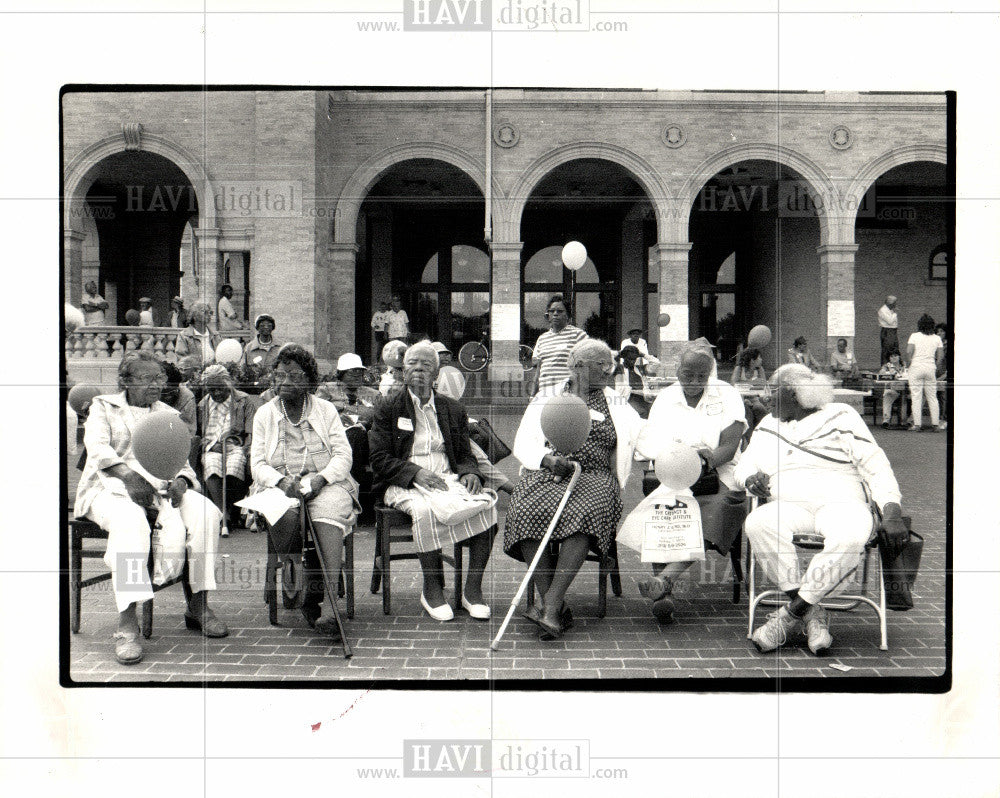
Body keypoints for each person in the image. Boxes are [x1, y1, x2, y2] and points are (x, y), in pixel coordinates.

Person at [735, 364, 908, 655]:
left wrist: (891, 510)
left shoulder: (842, 415)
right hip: (788, 505)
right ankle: (812, 613)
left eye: (773, 392)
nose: (766, 398)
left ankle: (790, 615)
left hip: (842, 503)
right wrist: (750, 479)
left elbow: (876, 466)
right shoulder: (767, 425)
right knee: (758, 523)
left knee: (851, 537)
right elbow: (745, 466)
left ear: (795, 395)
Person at [74, 352, 228, 665]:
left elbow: (181, 462)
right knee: (131, 524)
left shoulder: (168, 413)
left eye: (159, 378)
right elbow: (99, 451)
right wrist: (129, 477)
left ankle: (198, 605)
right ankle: (127, 623)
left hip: (159, 487)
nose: (155, 384)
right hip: (109, 488)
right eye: (146, 378)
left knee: (206, 512)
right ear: (125, 381)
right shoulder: (104, 407)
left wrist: (182, 482)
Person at [505, 339, 642, 639]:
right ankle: (553, 603)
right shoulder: (548, 396)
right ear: (579, 366)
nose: (610, 370)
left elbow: (642, 435)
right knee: (524, 508)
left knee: (583, 514)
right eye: (602, 366)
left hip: (596, 476)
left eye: (610, 365)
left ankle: (551, 605)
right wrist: (546, 459)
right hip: (550, 471)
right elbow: (524, 441)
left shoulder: (615, 400)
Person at [369, 341, 497, 621]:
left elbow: (464, 453)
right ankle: (432, 589)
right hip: (401, 482)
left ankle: (471, 591)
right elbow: (378, 458)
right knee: (425, 511)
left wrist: (470, 473)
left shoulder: (452, 409)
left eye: (426, 365)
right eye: (412, 363)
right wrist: (414, 473)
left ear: (436, 374)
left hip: (446, 479)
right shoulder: (389, 406)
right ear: (402, 371)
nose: (418, 369)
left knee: (487, 505)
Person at [629, 342, 748, 622]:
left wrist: (705, 461)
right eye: (687, 374)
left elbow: (729, 447)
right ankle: (664, 593)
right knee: (662, 507)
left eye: (701, 376)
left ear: (711, 373)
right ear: (677, 369)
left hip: (719, 472)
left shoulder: (727, 394)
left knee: (720, 506)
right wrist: (678, 459)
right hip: (677, 471)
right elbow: (653, 441)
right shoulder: (666, 398)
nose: (694, 382)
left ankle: (665, 580)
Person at [249, 345, 360, 635]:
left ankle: (330, 605)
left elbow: (343, 455)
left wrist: (321, 479)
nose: (286, 382)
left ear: (309, 380)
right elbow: (257, 464)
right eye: (281, 375)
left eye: (295, 376)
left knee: (329, 513)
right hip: (279, 483)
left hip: (325, 481)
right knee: (285, 516)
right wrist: (281, 482)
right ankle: (303, 583)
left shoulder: (325, 410)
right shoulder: (264, 414)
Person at [198, 364, 260, 535]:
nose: (216, 393)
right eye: (212, 390)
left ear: (229, 383)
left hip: (236, 444)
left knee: (235, 465)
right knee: (211, 465)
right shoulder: (203, 405)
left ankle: (231, 511)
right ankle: (223, 513)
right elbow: (198, 433)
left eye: (220, 389)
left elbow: (251, 431)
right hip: (211, 446)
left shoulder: (243, 401)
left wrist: (246, 449)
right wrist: (209, 444)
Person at [317, 353, 382, 489]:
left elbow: (380, 417)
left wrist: (366, 423)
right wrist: (336, 417)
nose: (357, 376)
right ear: (341, 374)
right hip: (336, 437)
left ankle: (356, 482)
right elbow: (318, 413)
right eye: (353, 373)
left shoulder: (373, 394)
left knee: (357, 435)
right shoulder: (328, 389)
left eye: (360, 373)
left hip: (366, 438)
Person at [530, 295, 588, 396]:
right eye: (552, 311)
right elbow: (539, 370)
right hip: (544, 394)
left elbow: (586, 367)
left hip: (567, 395)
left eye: (560, 311)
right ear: (548, 315)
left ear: (567, 315)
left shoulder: (578, 335)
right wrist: (532, 396)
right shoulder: (542, 339)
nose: (555, 314)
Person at [905, 313, 945, 431]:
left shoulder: (914, 336)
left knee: (916, 396)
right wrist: (935, 366)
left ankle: (917, 424)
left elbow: (908, 352)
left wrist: (910, 364)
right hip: (930, 367)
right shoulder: (937, 338)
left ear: (919, 325)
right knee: (932, 397)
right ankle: (935, 424)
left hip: (916, 366)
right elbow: (941, 356)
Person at [159, 361, 198, 434]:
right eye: (164, 393)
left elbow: (189, 431)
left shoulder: (187, 397)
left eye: (172, 392)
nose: (168, 397)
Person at [877, 351, 906, 428]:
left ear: (899, 356)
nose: (894, 358)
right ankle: (886, 420)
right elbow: (881, 373)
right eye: (891, 356)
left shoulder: (904, 366)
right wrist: (888, 373)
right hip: (892, 389)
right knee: (887, 394)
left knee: (909, 397)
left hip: (905, 389)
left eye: (895, 355)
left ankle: (907, 421)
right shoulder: (887, 366)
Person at [878, 295, 899, 365]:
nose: (895, 305)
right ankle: (885, 366)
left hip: (893, 331)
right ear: (890, 303)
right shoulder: (883, 310)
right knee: (887, 350)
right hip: (887, 331)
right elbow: (890, 321)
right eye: (894, 303)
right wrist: (895, 313)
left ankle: (894, 366)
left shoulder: (890, 310)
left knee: (894, 349)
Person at [934, 323, 948, 429]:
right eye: (938, 332)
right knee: (937, 397)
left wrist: (945, 374)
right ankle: (938, 419)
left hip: (945, 374)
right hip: (935, 374)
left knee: (943, 397)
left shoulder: (947, 345)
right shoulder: (935, 345)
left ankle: (944, 419)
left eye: (942, 331)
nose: (940, 333)